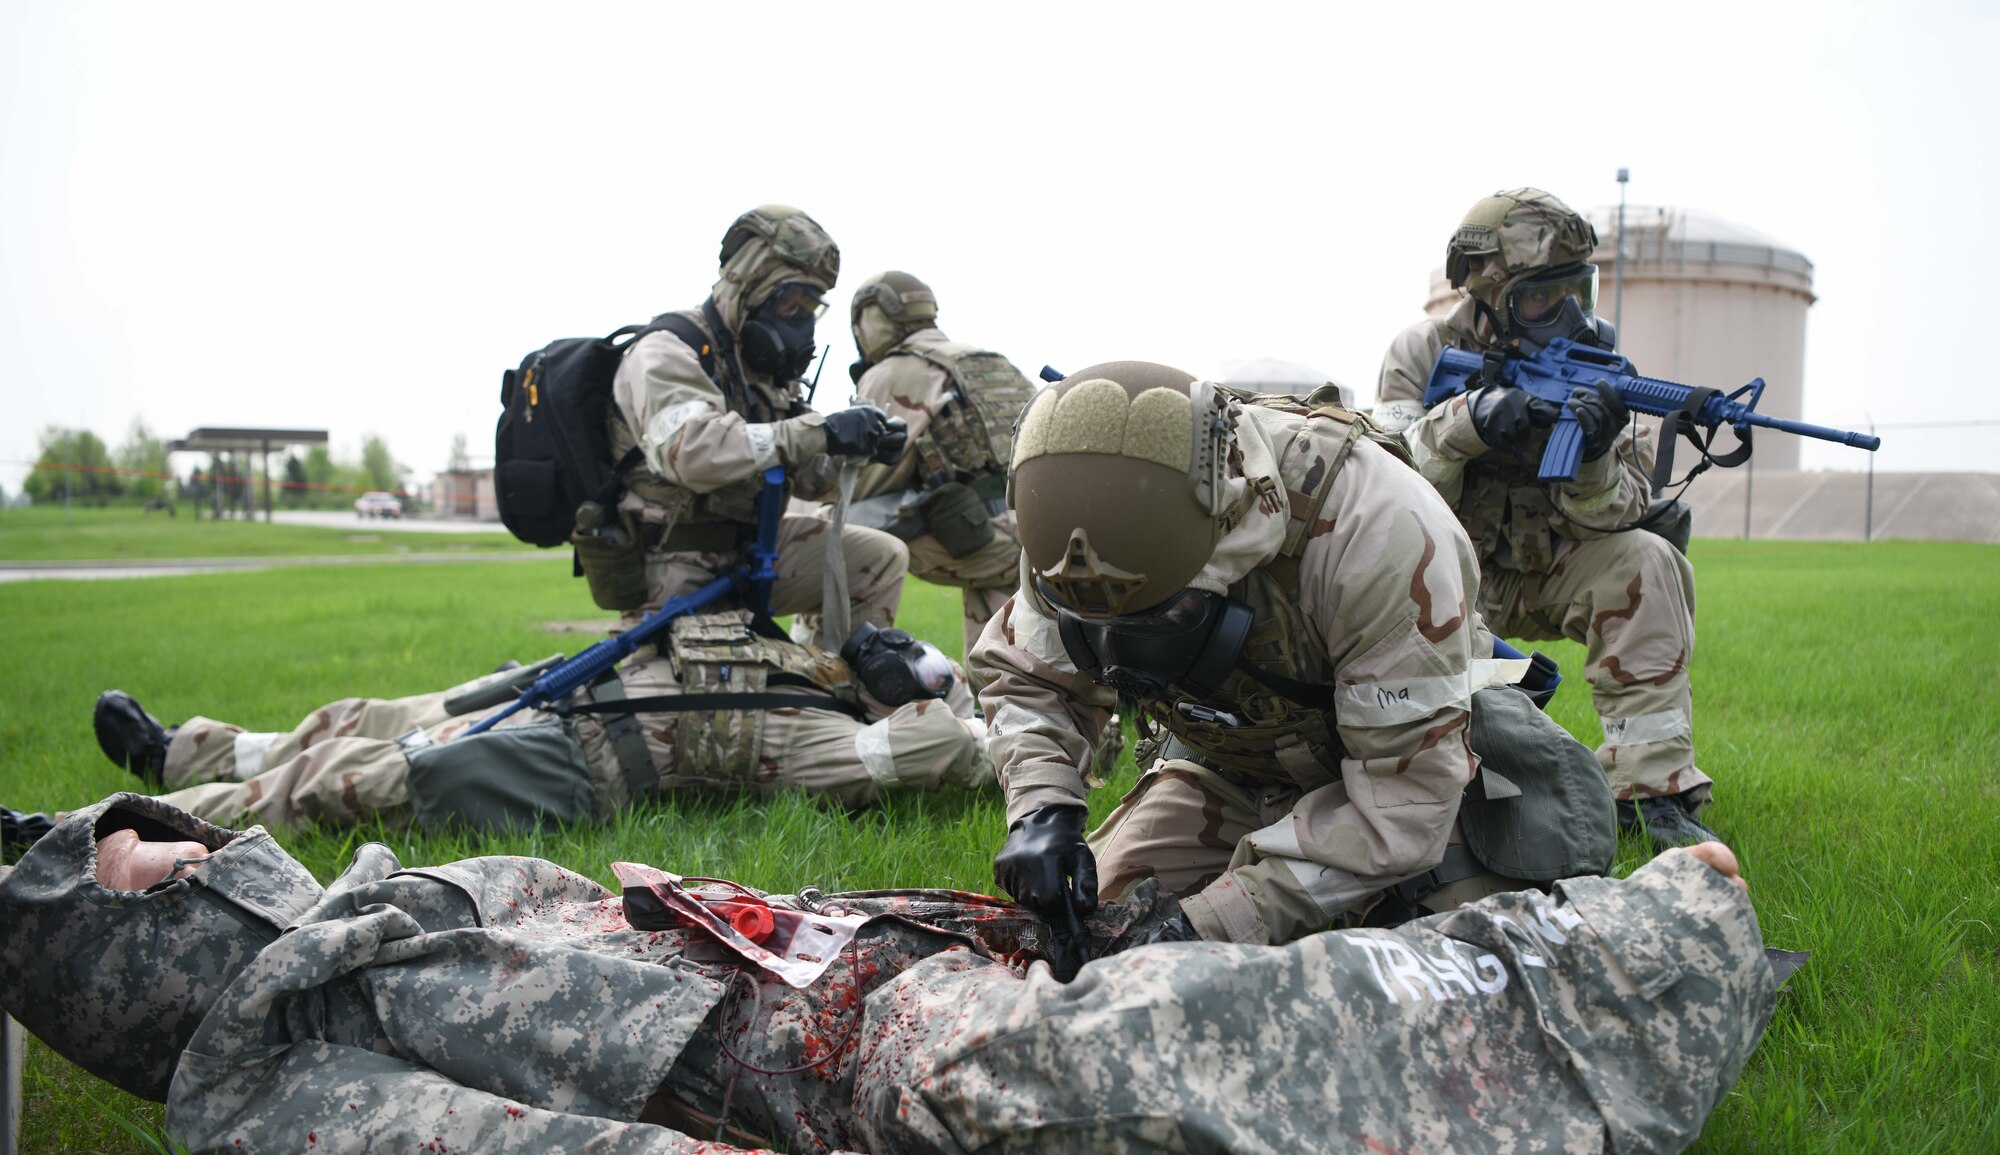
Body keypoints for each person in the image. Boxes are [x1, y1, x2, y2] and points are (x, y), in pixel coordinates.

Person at [0, 794, 1776, 1155]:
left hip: (892, 951)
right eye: (120, 864)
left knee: (1181, 934)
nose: (158, 841)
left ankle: (1537, 938)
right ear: (132, 955)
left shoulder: (374, 910)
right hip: (861, 1070)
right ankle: (1654, 955)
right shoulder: (289, 1080)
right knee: (1106, 1085)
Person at [971, 361, 1617, 953]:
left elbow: (1403, 804)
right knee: (1097, 937)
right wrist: (1043, 811)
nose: (1116, 656)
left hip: (1408, 759)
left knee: (1439, 960)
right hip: (1239, 753)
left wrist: (1207, 922)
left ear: (1223, 548)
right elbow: (1027, 673)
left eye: (1160, 623)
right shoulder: (1073, 530)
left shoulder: (1380, 530)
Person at [1374, 187, 1716, 850]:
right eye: (1540, 296)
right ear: (1490, 293)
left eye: (1576, 292)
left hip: (1550, 569)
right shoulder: (1423, 354)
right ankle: (1441, 764)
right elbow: (1383, 484)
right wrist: (1466, 423)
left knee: (1650, 558)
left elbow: (1619, 512)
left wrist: (1591, 454)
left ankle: (1651, 794)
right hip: (1452, 577)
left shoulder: (1603, 370)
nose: (1564, 313)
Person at [63, 611, 991, 833]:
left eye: (911, 660)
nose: (891, 640)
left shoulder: (846, 743)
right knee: (369, 715)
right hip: (567, 686)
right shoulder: (802, 656)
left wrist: (957, 703)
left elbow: (952, 747)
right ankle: (185, 752)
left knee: (357, 777)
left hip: (575, 761)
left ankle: (94, 829)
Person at [588, 205, 912, 632]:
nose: (799, 321)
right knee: (719, 693)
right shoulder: (666, 351)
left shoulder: (764, 374)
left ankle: (848, 678)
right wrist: (821, 431)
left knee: (879, 558)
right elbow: (693, 454)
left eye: (809, 307)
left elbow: (811, 478)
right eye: (789, 302)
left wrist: (857, 448)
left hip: (755, 549)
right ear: (751, 286)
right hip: (671, 566)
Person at [838, 271, 1036, 655]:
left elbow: (860, 483)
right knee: (1005, 663)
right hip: (1037, 534)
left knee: (830, 531)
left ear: (869, 319)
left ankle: (842, 674)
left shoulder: (892, 372)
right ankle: (996, 702)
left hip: (978, 539)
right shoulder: (990, 362)